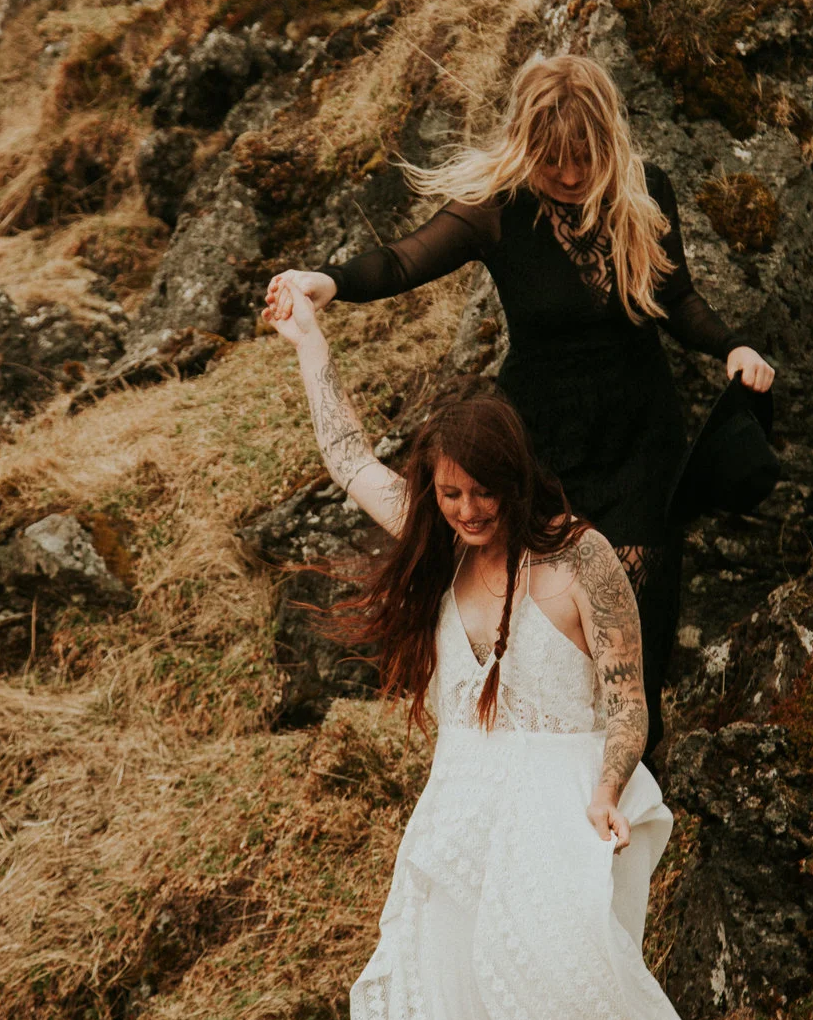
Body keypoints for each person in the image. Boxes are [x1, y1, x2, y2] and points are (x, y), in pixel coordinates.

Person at [264, 279, 735, 1020]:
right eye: (451, 496)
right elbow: (346, 455)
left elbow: (626, 697)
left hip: (561, 786)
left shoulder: (583, 561)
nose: (468, 513)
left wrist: (610, 788)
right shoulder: (437, 545)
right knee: (427, 994)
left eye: (484, 494)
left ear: (517, 479)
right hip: (462, 801)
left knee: (552, 970)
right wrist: (309, 341)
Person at [265, 53, 776, 755]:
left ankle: (630, 782)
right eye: (552, 162)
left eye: (583, 161)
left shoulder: (643, 191)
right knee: (540, 615)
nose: (568, 177)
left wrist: (733, 347)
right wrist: (325, 282)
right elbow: (402, 261)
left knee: (635, 619)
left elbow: (675, 295)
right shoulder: (498, 207)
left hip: (639, 437)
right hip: (538, 440)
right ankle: (534, 766)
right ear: (526, 147)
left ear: (608, 145)